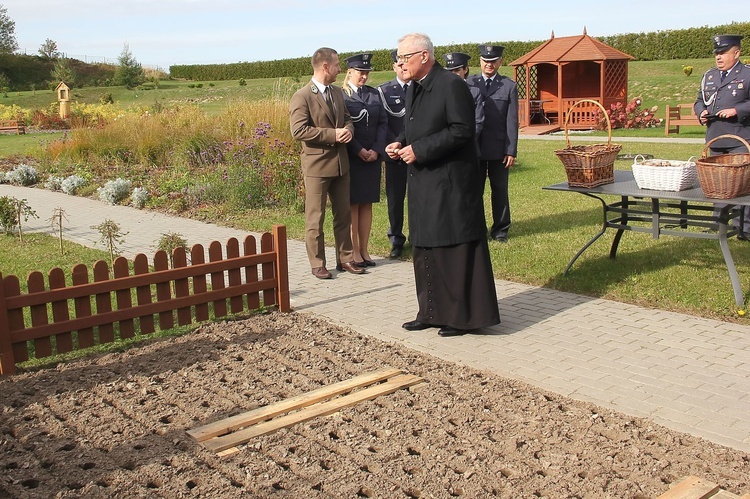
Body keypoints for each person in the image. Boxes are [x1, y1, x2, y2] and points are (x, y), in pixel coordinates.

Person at [386, 33, 500, 338]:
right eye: (398, 58)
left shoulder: (451, 85)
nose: (400, 63)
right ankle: (430, 312)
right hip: (423, 181)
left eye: (404, 57)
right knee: (424, 247)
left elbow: (462, 130)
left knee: (452, 249)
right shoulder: (414, 88)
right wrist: (400, 142)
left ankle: (460, 318)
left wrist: (420, 150)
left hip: (449, 184)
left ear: (424, 56)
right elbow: (414, 128)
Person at [289, 47, 366, 279]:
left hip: (341, 165)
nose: (340, 69)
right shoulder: (302, 96)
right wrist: (333, 135)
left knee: (343, 215)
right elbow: (298, 130)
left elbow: (347, 119)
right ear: (325, 66)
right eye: (337, 65)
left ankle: (345, 258)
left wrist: (348, 131)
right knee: (316, 217)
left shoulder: (336, 93)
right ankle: (317, 263)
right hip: (317, 167)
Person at [694, 34, 750, 238]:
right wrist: (700, 112)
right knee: (718, 184)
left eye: (723, 53)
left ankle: (744, 229)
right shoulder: (709, 76)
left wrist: (738, 110)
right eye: (717, 53)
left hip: (740, 138)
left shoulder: (747, 74)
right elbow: (699, 100)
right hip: (716, 137)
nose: (719, 57)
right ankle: (718, 224)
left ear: (737, 53)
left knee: (741, 186)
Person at [467, 44, 519, 243]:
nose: (489, 65)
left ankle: (500, 230)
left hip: (498, 149)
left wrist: (511, 150)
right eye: (485, 61)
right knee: (475, 190)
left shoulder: (509, 86)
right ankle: (477, 228)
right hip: (476, 148)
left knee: (499, 190)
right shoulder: (469, 83)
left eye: (493, 61)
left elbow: (512, 121)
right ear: (480, 61)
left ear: (500, 62)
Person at [341, 53, 388, 267]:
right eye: (361, 72)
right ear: (350, 71)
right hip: (353, 157)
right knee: (353, 205)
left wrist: (377, 150)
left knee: (367, 204)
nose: (364, 77)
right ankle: (354, 252)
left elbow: (383, 124)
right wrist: (359, 150)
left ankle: (365, 250)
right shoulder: (342, 95)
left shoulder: (374, 94)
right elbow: (343, 126)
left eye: (367, 73)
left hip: (372, 158)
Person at [377, 50, 410, 259]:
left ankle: (420, 237)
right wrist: (392, 146)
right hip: (395, 154)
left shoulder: (421, 88)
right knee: (395, 200)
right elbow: (383, 123)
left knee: (419, 199)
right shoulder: (384, 91)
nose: (403, 68)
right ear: (394, 67)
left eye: (406, 64)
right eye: (400, 65)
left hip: (417, 153)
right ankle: (396, 240)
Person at [442, 51, 484, 149]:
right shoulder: (440, 91)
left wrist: (463, 141)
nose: (453, 74)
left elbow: (478, 121)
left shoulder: (474, 92)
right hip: (445, 147)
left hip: (468, 146)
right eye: (449, 71)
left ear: (465, 70)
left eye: (456, 70)